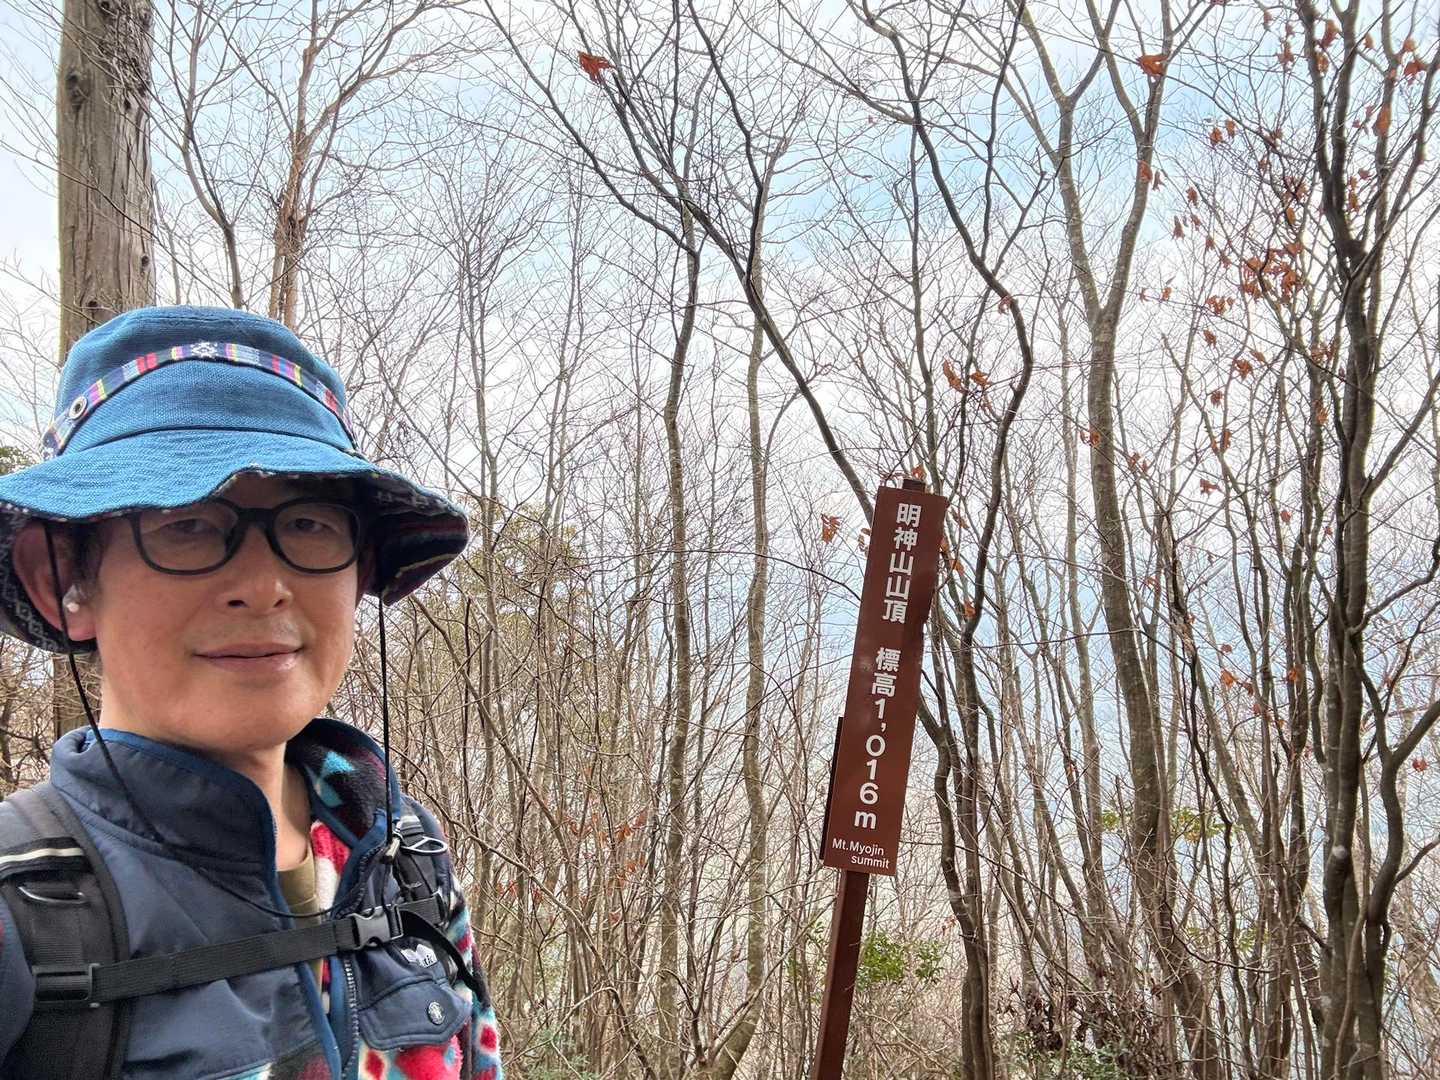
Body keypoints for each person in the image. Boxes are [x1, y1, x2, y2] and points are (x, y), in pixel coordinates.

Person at [0, 307, 503, 1079]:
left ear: (362, 569)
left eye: (309, 523)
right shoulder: (21, 913)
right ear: (62, 577)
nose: (264, 585)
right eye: (187, 524)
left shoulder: (400, 849)